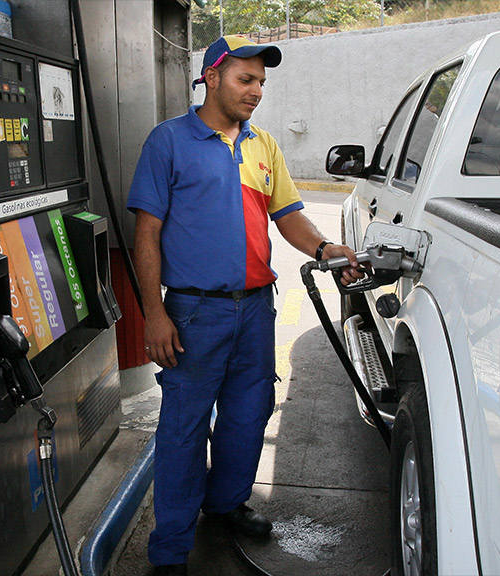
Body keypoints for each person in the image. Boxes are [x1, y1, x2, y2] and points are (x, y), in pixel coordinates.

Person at [126, 35, 363, 575]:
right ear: (211, 76)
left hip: (256, 310)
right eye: (245, 79)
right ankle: (170, 551)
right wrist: (154, 314)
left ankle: (226, 503)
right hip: (193, 313)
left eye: (261, 82)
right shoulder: (168, 142)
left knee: (248, 414)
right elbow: (147, 233)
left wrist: (325, 248)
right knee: (184, 428)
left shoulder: (263, 146)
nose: (256, 91)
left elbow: (289, 217)